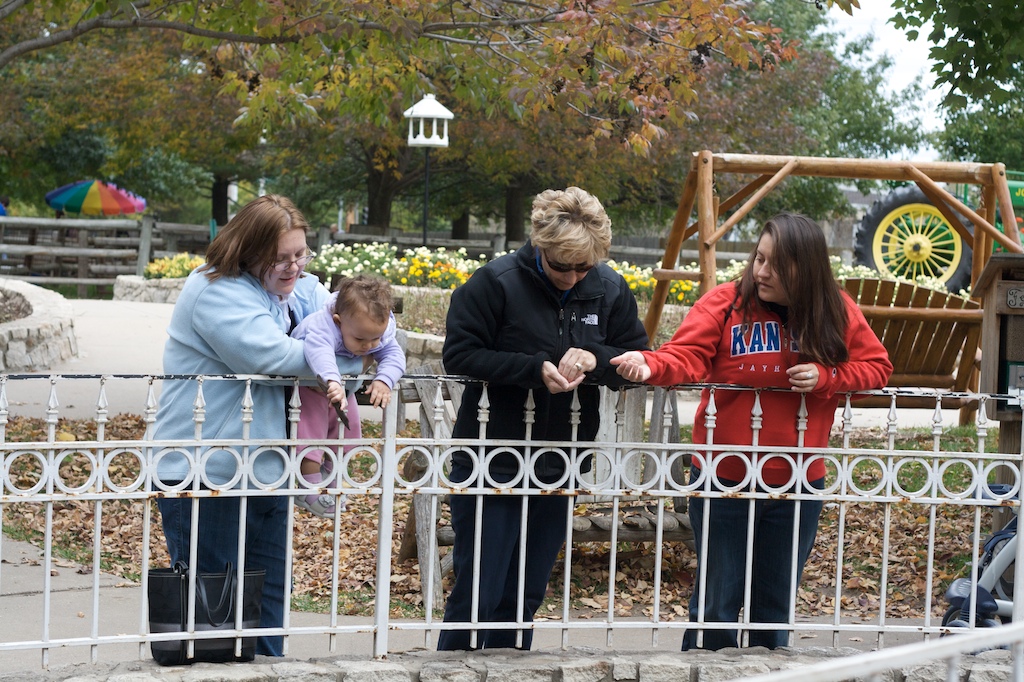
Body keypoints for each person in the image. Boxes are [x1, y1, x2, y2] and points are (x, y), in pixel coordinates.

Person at [611, 213, 893, 651]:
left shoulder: (835, 308)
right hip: (725, 476)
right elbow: (685, 355)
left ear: (806, 268)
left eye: (776, 265)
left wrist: (826, 376)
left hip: (799, 479)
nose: (761, 272)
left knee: (774, 604)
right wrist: (650, 365)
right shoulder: (725, 303)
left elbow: (877, 368)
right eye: (759, 258)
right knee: (717, 598)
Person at [437, 186, 650, 651]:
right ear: (539, 246)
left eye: (584, 267)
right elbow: (459, 355)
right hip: (492, 457)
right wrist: (532, 369)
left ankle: (512, 666)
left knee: (526, 592)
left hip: (561, 458)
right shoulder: (495, 282)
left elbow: (639, 358)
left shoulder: (610, 289)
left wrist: (597, 359)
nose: (573, 277)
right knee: (479, 587)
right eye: (561, 266)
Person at [152, 194, 362, 657]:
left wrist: (361, 344)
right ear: (248, 251)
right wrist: (353, 359)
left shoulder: (297, 288)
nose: (293, 268)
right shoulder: (215, 290)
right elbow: (277, 358)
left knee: (267, 605)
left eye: (299, 255)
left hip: (266, 470)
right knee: (214, 617)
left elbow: (359, 321)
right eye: (280, 259)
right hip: (207, 472)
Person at [289, 274, 406, 516]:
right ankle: (309, 486)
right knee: (310, 434)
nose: (369, 346)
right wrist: (331, 379)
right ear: (338, 321)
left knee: (348, 430)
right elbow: (319, 351)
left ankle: (332, 480)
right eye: (360, 339)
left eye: (375, 338)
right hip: (309, 388)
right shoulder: (322, 325)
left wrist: (384, 379)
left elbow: (394, 355)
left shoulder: (374, 332)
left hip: (344, 389)